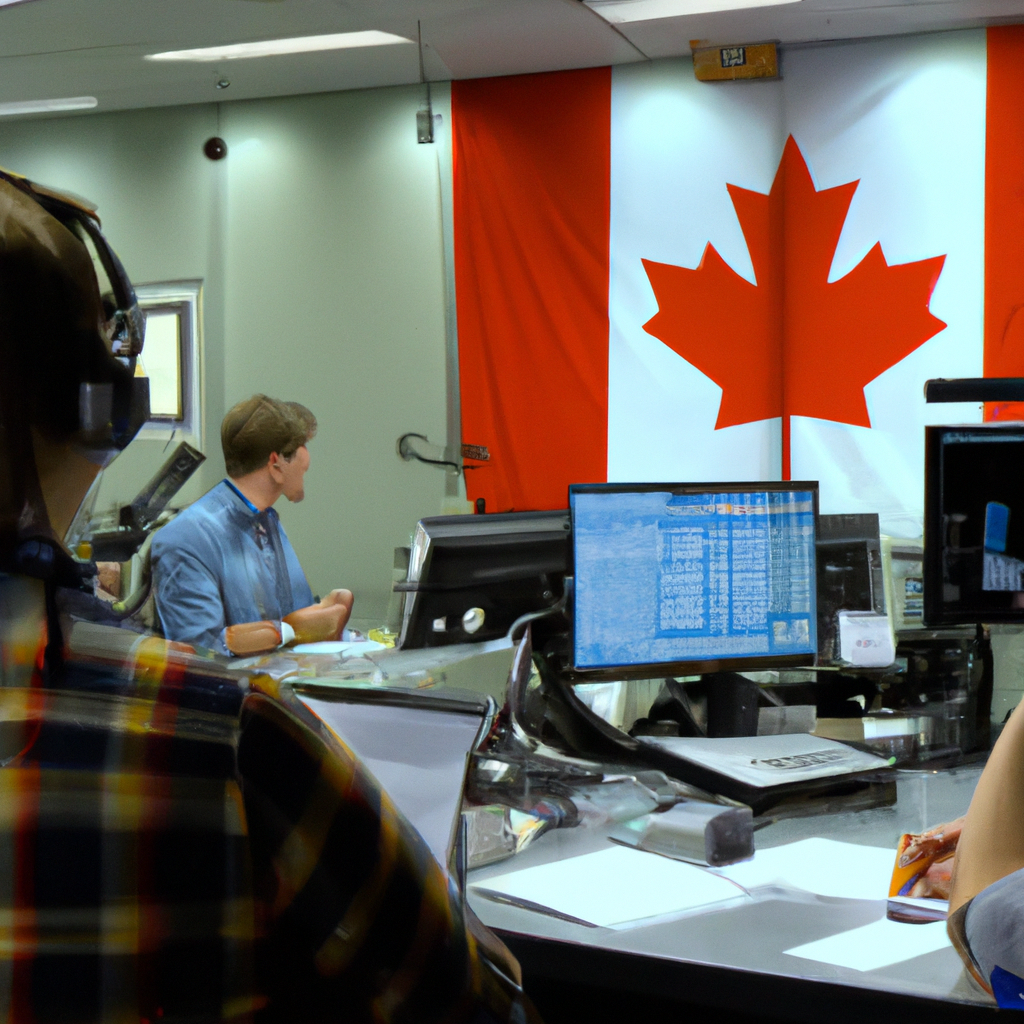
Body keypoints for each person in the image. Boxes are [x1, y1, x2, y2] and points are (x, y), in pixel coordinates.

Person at [0, 168, 537, 1022]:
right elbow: (474, 1003)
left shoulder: (268, 539)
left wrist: (310, 626)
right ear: (100, 410)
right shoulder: (223, 738)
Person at [152, 394, 354, 655]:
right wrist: (288, 631)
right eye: (302, 446)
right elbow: (198, 651)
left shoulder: (265, 520)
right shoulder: (185, 540)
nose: (308, 459)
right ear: (276, 464)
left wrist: (324, 614)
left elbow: (291, 613)